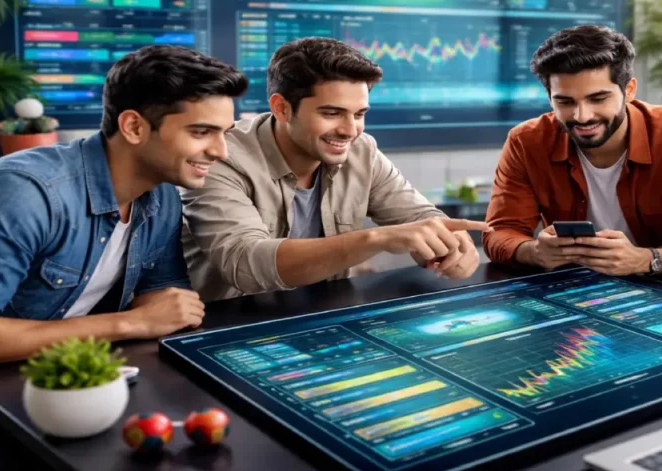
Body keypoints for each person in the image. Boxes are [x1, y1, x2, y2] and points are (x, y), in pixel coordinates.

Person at [0, 44, 248, 471]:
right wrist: (128, 324)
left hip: (70, 390)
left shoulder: (162, 195)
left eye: (225, 132)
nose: (221, 151)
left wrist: (154, 316)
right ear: (133, 126)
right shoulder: (23, 194)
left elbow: (165, 299)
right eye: (202, 131)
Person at [181, 37, 487, 302]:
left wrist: (446, 245)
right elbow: (245, 264)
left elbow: (419, 217)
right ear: (281, 107)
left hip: (320, 314)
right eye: (331, 113)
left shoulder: (361, 149)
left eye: (359, 114)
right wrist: (375, 239)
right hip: (226, 325)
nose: (349, 130)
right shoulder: (220, 157)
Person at [483, 24, 662, 278]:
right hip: (571, 284)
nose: (582, 116)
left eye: (598, 99)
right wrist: (534, 251)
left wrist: (645, 259)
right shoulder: (526, 141)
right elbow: (500, 232)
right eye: (565, 102)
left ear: (630, 90)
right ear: (550, 98)